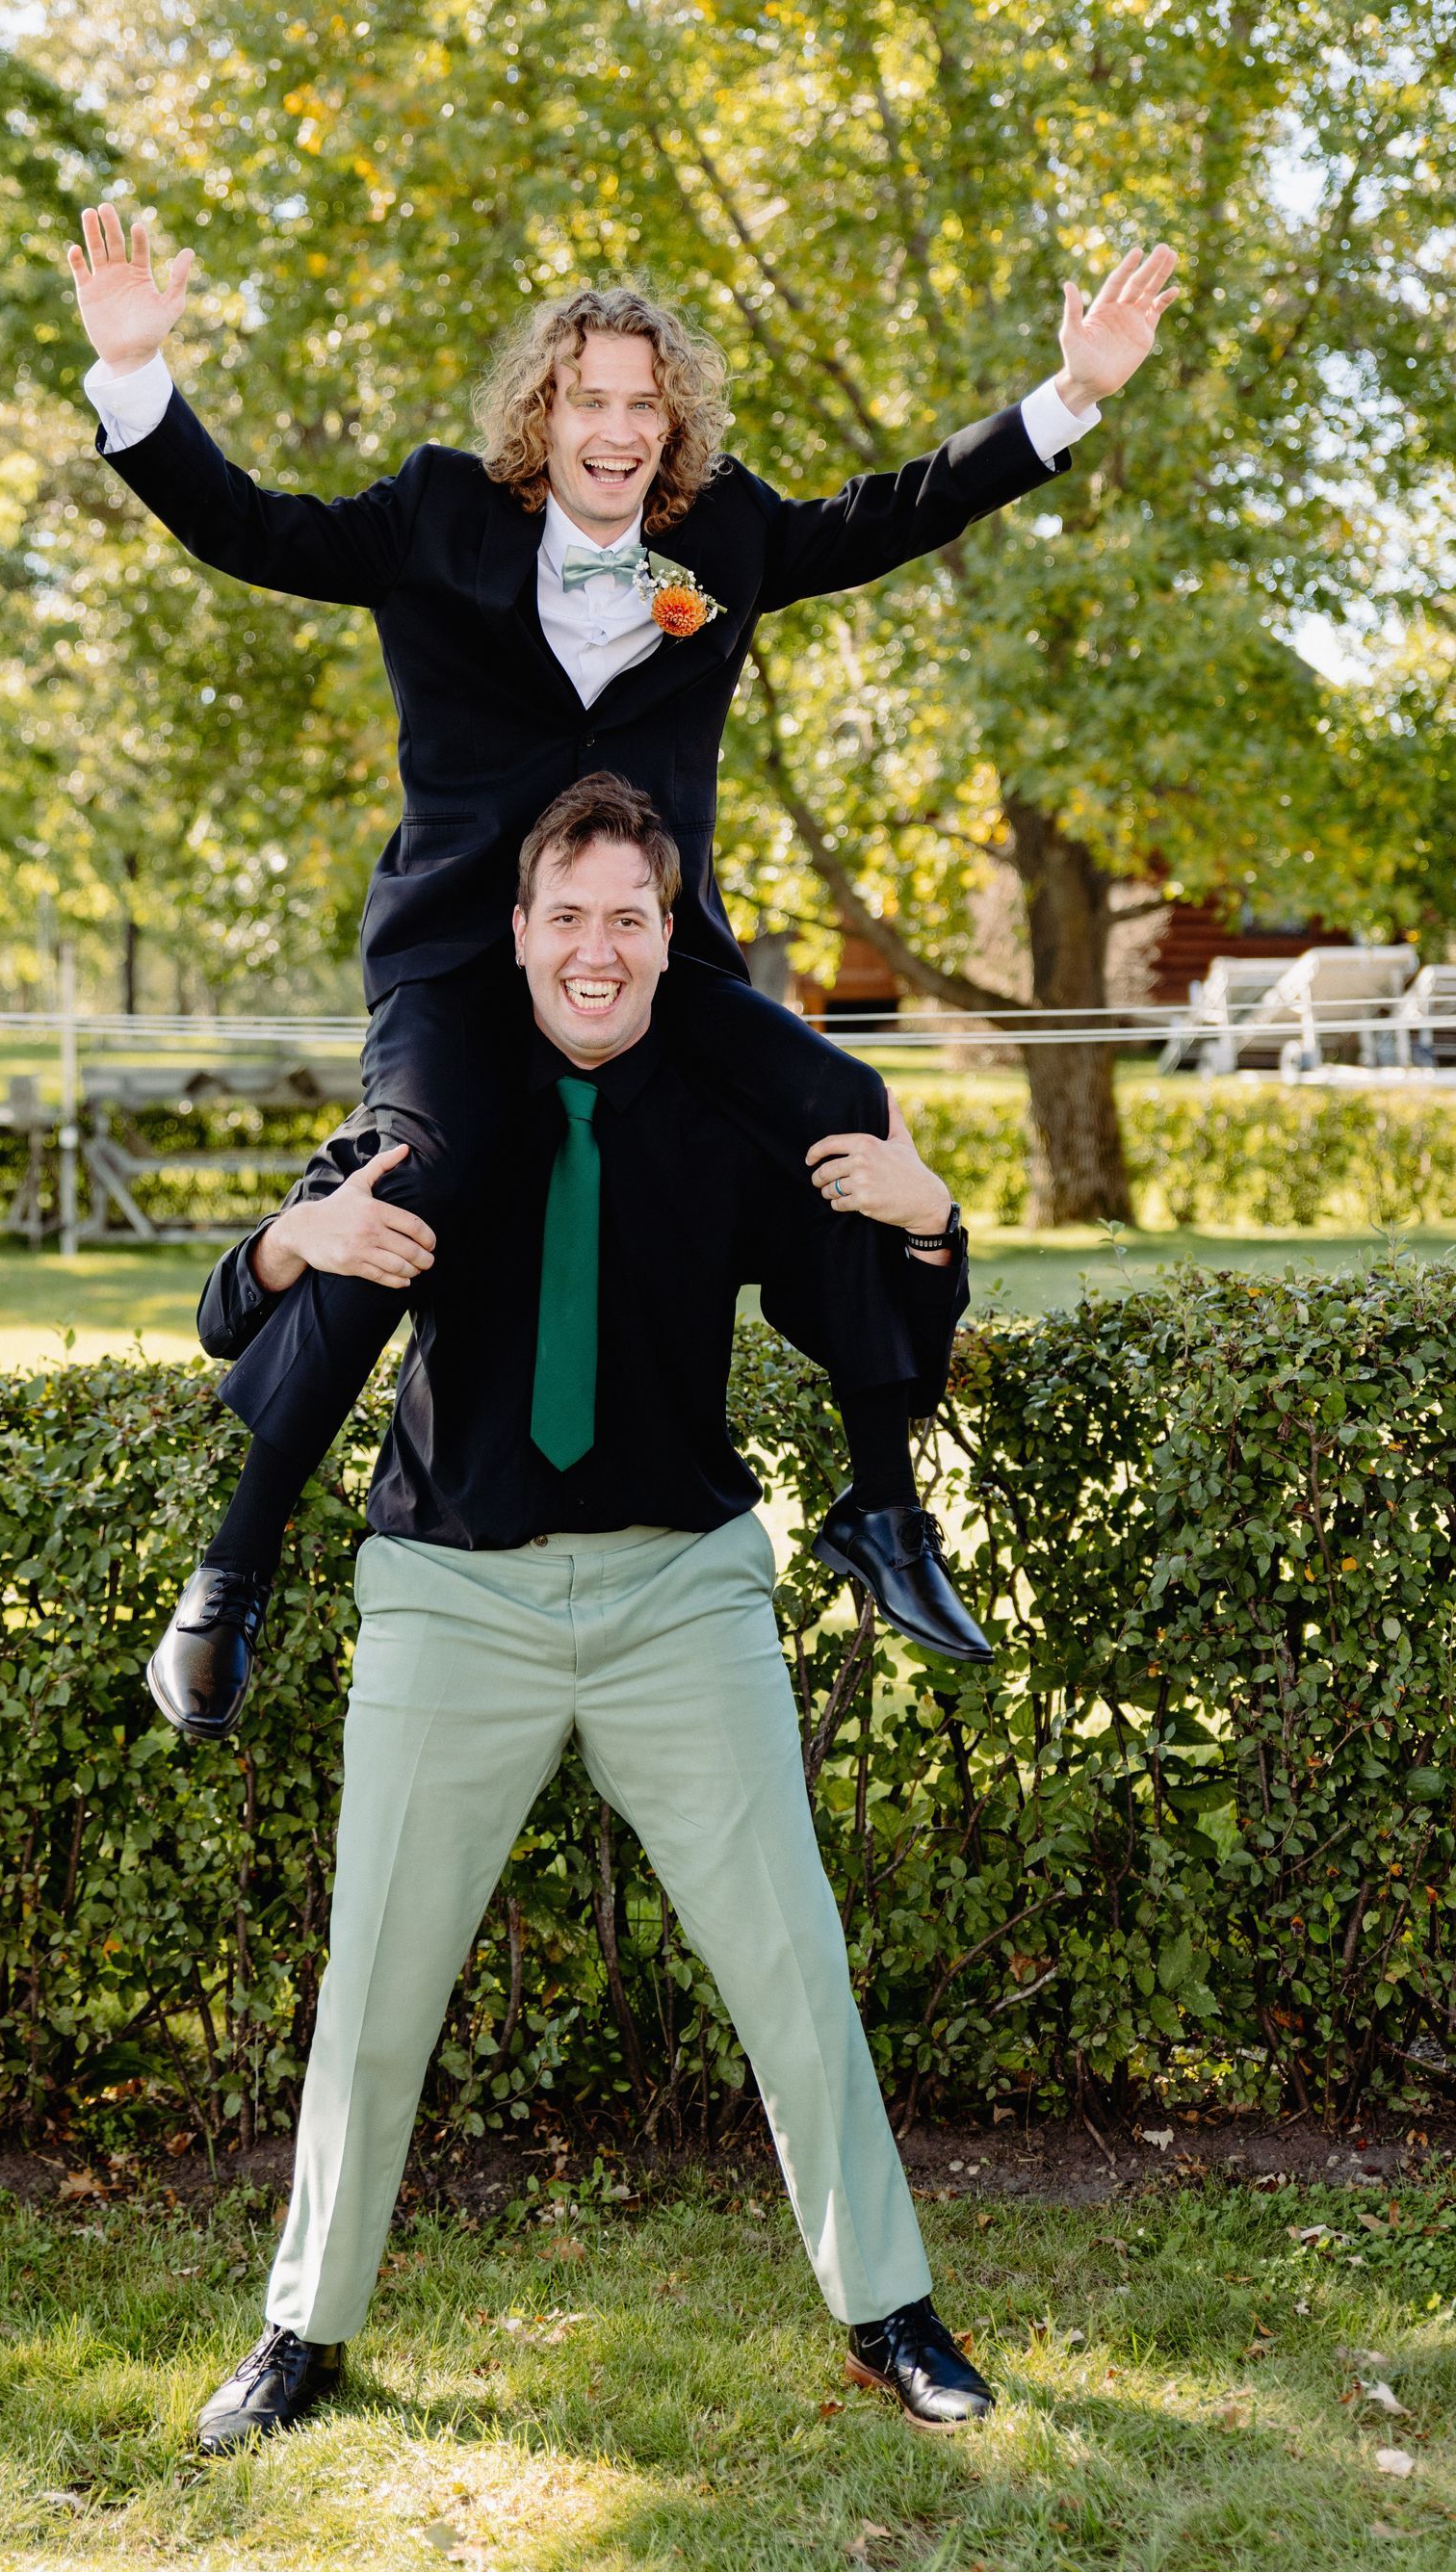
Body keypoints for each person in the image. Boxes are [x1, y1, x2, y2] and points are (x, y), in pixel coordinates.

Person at [66, 214, 1178, 1721]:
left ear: (676, 427)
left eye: (645, 405)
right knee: (405, 1186)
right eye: (590, 399)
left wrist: (1070, 397)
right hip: (464, 956)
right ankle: (234, 1571)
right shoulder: (438, 516)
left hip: (647, 957)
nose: (617, 428)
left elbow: (895, 511)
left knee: (840, 1100)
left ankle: (882, 1506)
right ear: (546, 412)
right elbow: (256, 530)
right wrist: (135, 374)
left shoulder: (721, 541)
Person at [190, 779, 992, 2453]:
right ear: (519, 937)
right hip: (449, 1602)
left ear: (668, 939)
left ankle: (892, 2312)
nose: (598, 949)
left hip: (674, 1596)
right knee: (378, 1991)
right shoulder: (447, 1104)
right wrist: (283, 1240)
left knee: (792, 1967)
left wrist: (939, 1232)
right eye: (569, 918)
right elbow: (230, 1313)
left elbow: (862, 1312)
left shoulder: (720, 1111)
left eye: (631, 917)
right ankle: (299, 2331)